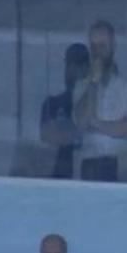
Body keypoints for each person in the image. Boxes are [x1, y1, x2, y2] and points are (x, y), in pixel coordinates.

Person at [73, 20, 127, 182]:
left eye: (102, 46)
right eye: (94, 47)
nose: (98, 52)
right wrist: (93, 84)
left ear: (113, 47)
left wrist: (96, 124)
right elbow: (81, 122)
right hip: (88, 163)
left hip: (119, 163)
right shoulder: (81, 86)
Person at [40, 44, 90, 178]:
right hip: (58, 178)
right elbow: (49, 137)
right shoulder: (52, 104)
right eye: (69, 64)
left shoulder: (99, 107)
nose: (73, 71)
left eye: (80, 65)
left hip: (91, 178)